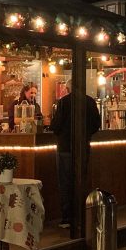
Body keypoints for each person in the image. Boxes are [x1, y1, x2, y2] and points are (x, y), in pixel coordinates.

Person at [50, 90, 102, 228]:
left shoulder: (64, 102)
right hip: (83, 147)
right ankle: (81, 216)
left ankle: (67, 218)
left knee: (66, 182)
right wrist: (85, 134)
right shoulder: (90, 101)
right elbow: (97, 124)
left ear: (67, 89)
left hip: (65, 147)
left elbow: (55, 126)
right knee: (81, 180)